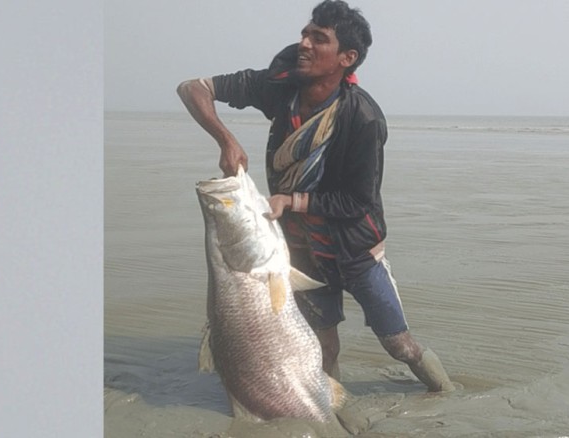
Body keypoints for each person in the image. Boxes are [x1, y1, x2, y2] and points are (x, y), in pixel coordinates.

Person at [177, 0, 454, 393]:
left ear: (347, 57)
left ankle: (447, 393)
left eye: (318, 38)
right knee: (322, 346)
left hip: (356, 251)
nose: (304, 42)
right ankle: (333, 415)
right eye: (305, 33)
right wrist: (226, 139)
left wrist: (291, 201)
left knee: (399, 346)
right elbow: (193, 89)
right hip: (303, 250)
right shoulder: (280, 88)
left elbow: (358, 203)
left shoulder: (363, 118)